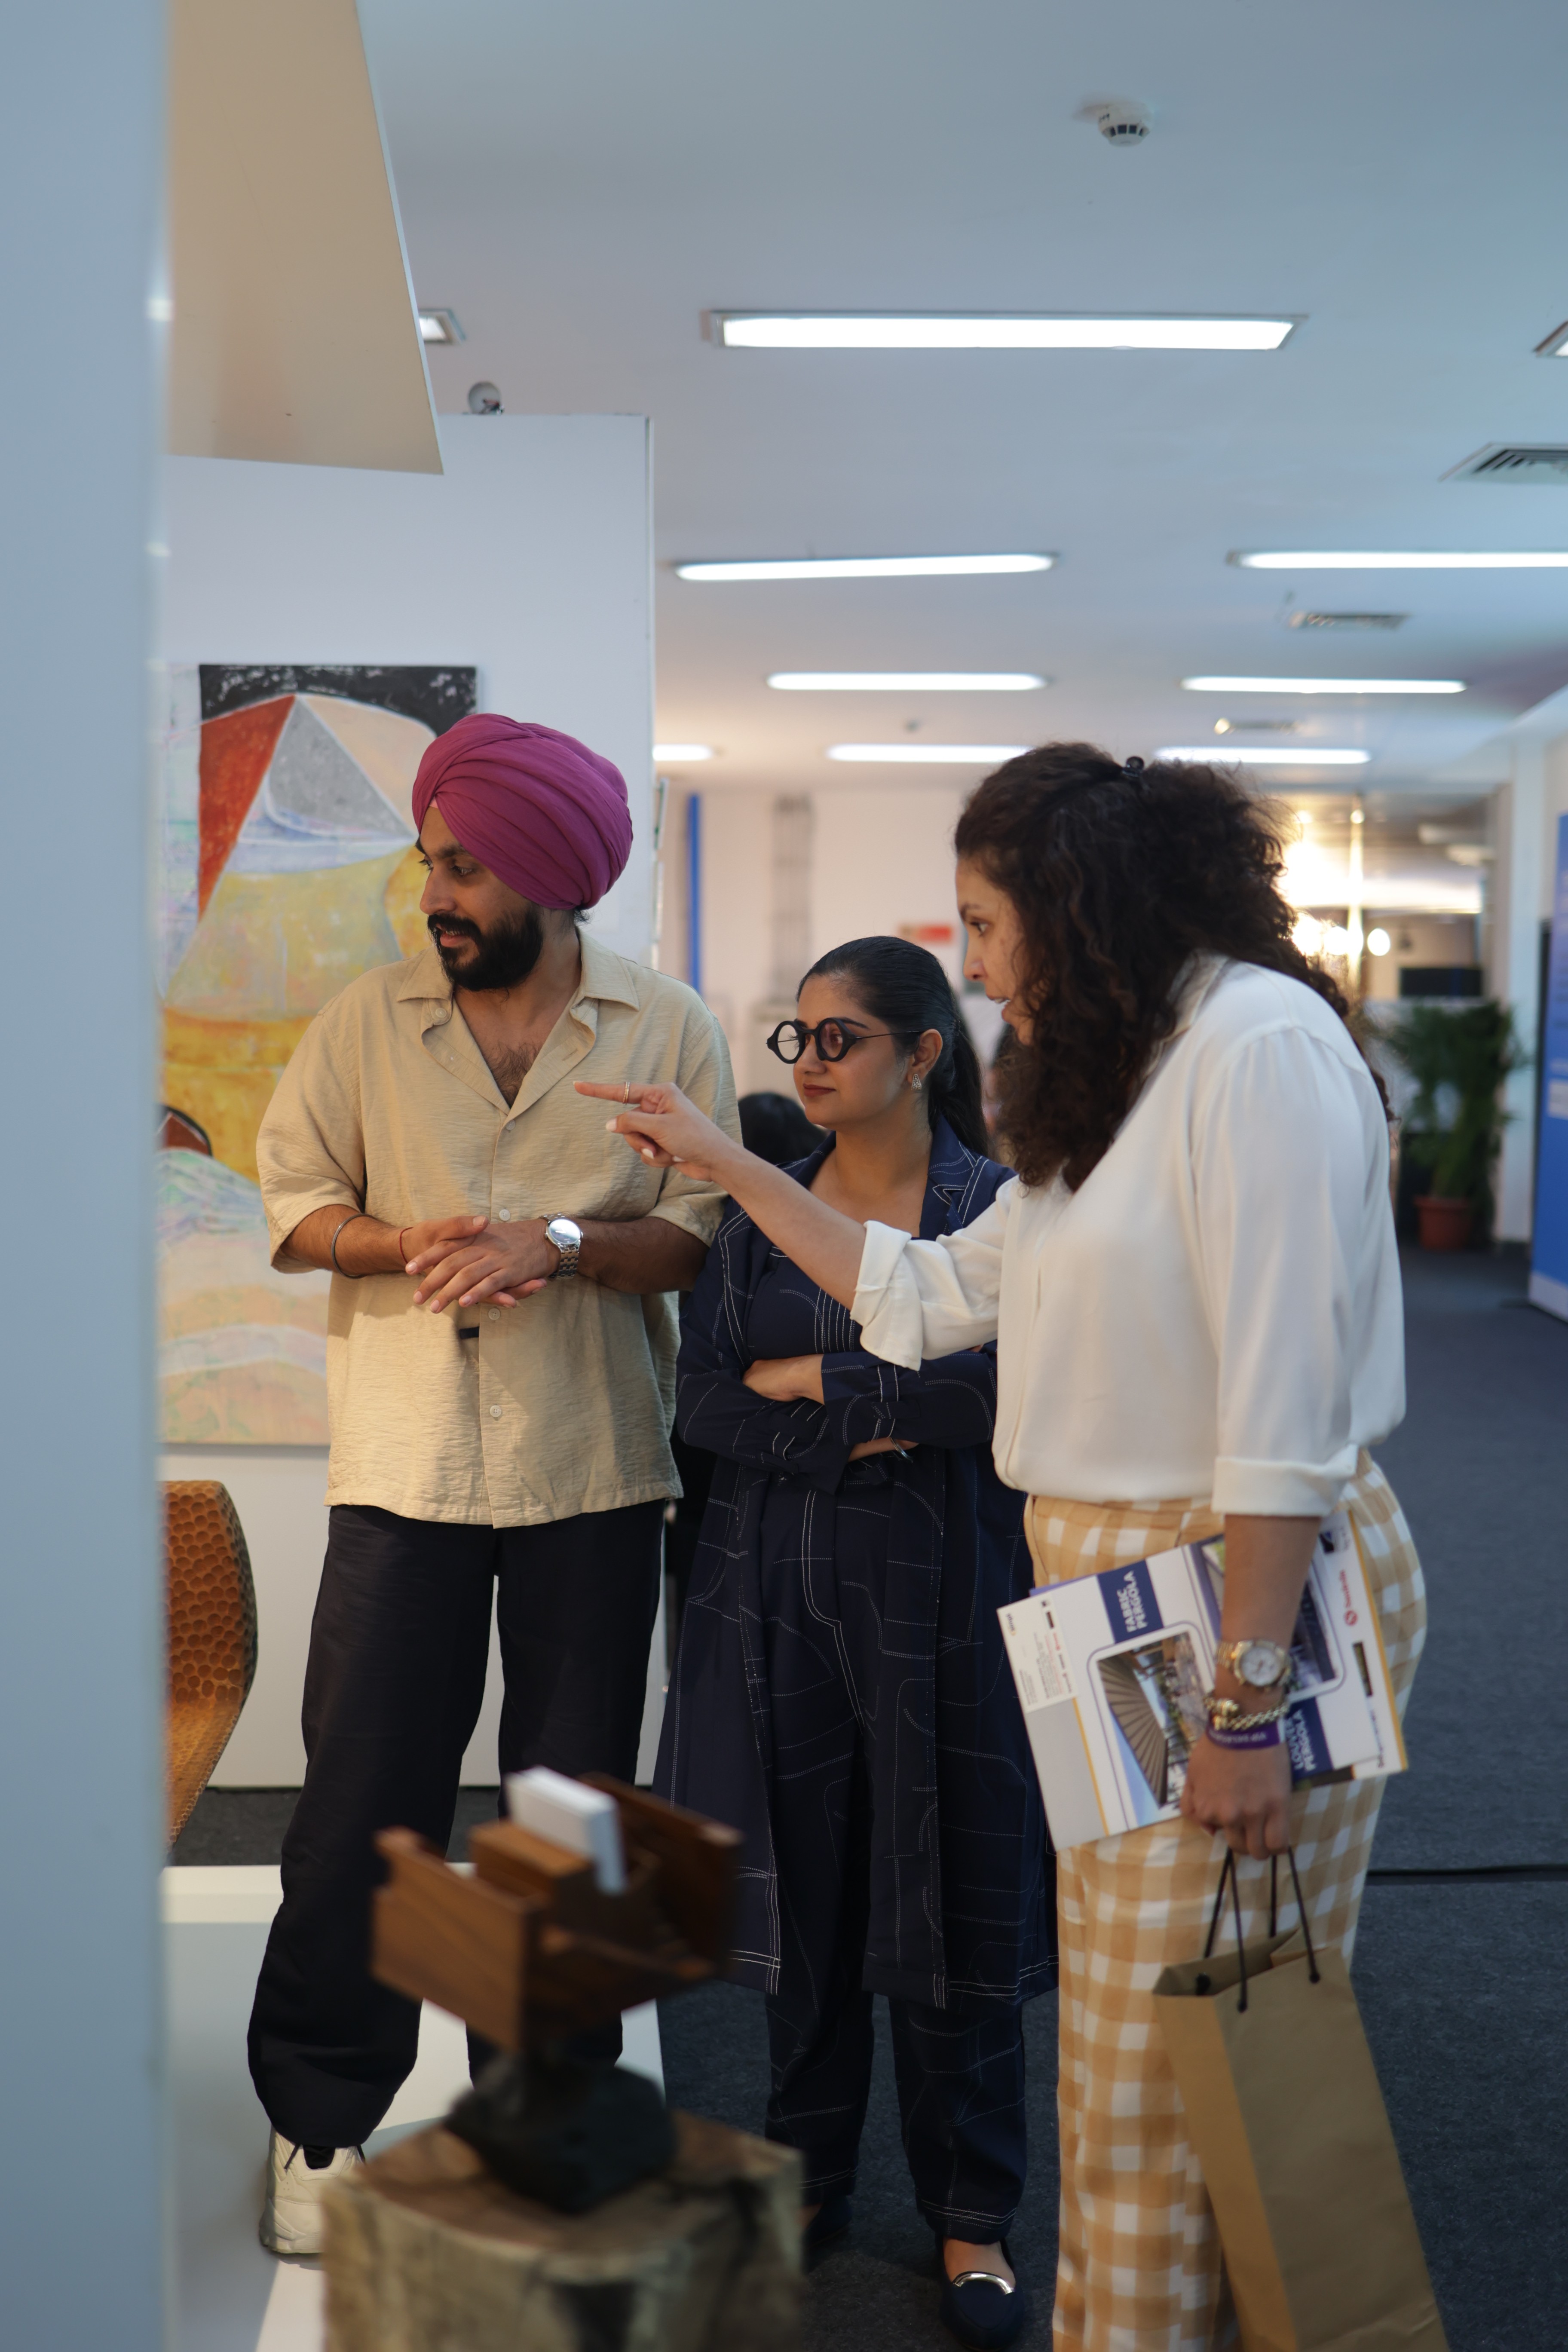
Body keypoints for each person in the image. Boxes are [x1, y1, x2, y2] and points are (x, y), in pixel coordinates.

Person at [580, 745, 1423, 2351]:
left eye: (983, 921)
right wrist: (735, 1165)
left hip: (1224, 1587)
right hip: (1114, 1595)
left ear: (1076, 902)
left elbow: (1285, 1414)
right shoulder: (1130, 1072)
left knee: (1194, 2054)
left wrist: (1247, 1703)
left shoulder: (1257, 1052)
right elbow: (935, 1292)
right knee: (1133, 2050)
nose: (972, 965)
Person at [248, 713, 738, 2255]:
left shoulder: (669, 1027)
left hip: (594, 1473)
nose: (435, 894)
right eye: (431, 862)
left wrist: (564, 1243)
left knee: (567, 1825)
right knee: (360, 1809)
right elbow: (294, 1203)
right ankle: (322, 2119)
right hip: (403, 1473)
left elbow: (700, 1236)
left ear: (548, 876)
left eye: (462, 867)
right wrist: (404, 1243)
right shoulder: (365, 1020)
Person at [654, 937, 1053, 2352]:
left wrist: (824, 1380)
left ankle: (973, 2215)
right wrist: (873, 1417)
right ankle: (806, 2184)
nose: (810, 1062)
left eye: (841, 1038)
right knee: (807, 1907)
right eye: (799, 1038)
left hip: (951, 1594)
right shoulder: (766, 1206)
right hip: (777, 1592)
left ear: (922, 1053)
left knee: (957, 1900)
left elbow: (1005, 1391)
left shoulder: (996, 1209)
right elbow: (706, 1402)